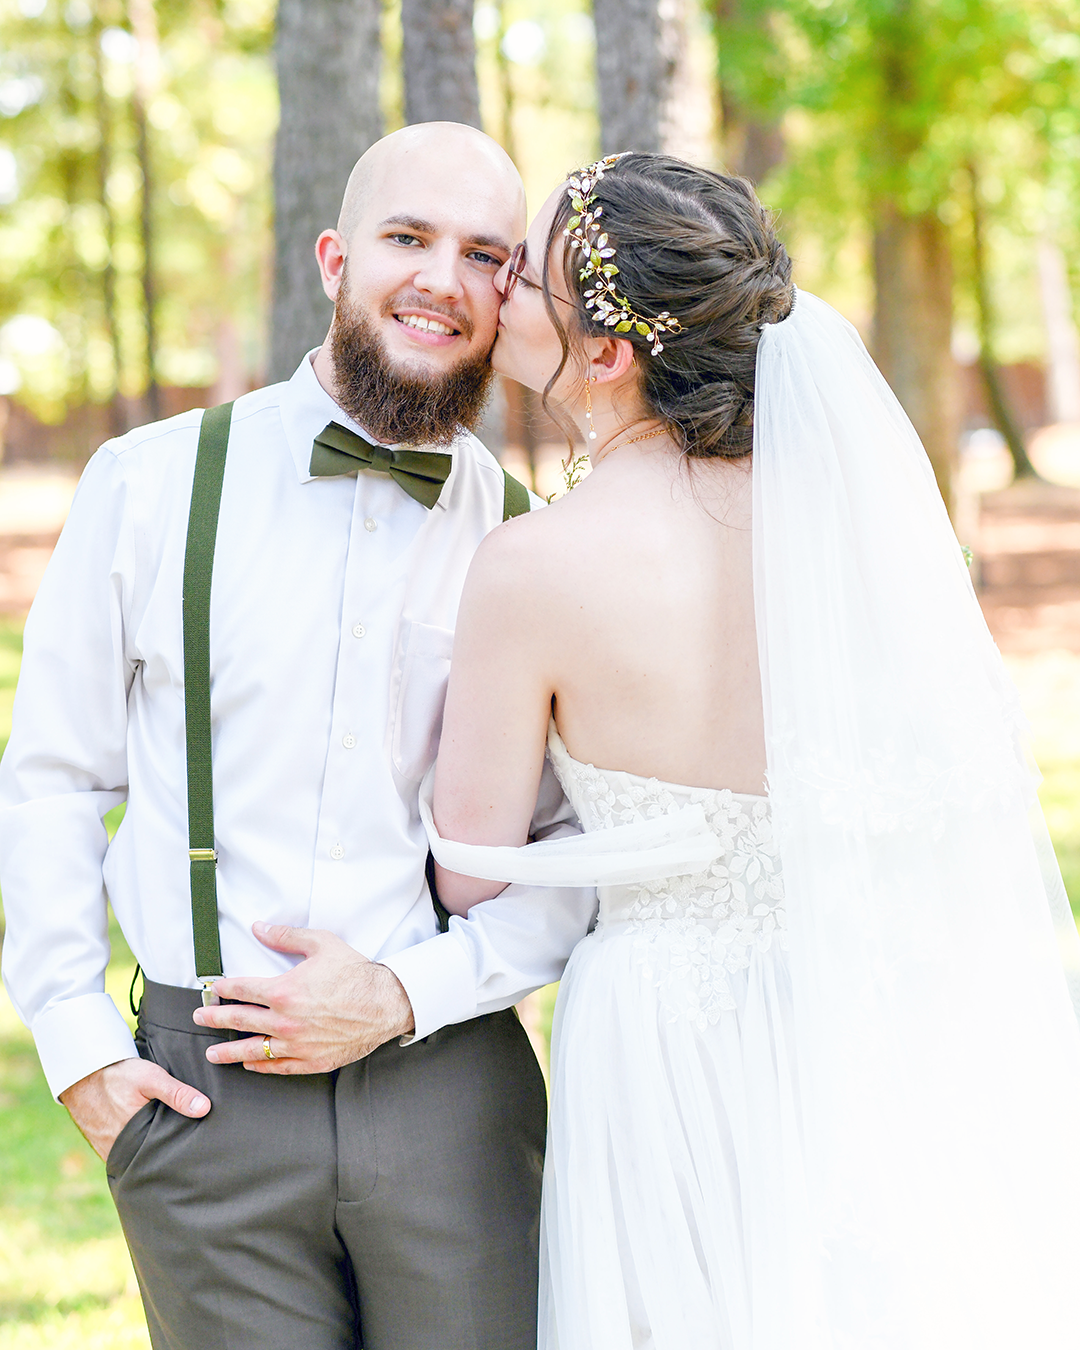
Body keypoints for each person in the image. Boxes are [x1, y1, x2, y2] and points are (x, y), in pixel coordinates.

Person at [424, 152, 1080, 1349]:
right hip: (864, 1003)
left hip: (662, 1036)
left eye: (528, 277)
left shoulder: (534, 566)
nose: (499, 287)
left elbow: (471, 871)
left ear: (609, 354)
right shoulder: (850, 530)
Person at [0, 122, 596, 1350]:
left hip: (454, 1091)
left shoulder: (536, 545)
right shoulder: (148, 481)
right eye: (405, 237)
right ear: (334, 259)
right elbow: (54, 776)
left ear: (510, 293)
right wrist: (77, 1045)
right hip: (201, 1110)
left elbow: (568, 853)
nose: (441, 276)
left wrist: (401, 994)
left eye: (484, 252)